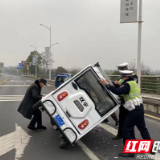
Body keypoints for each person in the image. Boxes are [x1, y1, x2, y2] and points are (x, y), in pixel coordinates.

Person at [100, 70, 152, 158]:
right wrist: (114, 84)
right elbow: (122, 89)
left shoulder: (127, 84)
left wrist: (107, 85)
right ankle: (150, 148)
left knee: (126, 129)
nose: (121, 79)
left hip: (134, 111)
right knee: (143, 128)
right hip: (139, 108)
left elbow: (118, 92)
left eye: (122, 77)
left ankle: (130, 152)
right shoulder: (133, 83)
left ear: (126, 77)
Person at [112, 62, 138, 140]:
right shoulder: (121, 77)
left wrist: (120, 84)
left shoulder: (133, 76)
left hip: (131, 103)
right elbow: (117, 86)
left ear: (126, 68)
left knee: (130, 121)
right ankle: (120, 134)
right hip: (124, 101)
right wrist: (114, 84)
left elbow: (130, 84)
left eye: (122, 70)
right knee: (121, 118)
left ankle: (132, 138)